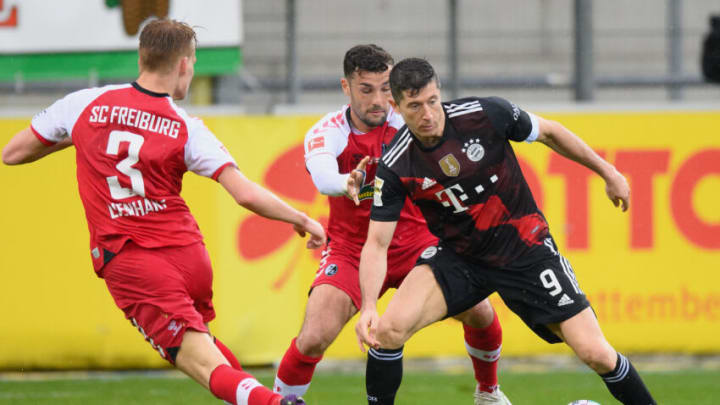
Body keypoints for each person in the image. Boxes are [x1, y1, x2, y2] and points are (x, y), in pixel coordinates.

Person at [1, 19, 323, 405]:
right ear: (185, 64)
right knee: (205, 349)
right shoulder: (187, 127)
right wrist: (301, 218)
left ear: (142, 57)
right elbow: (244, 194)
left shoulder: (84, 104)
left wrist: (82, 140)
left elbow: (12, 153)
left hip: (132, 259)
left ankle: (275, 404)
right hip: (189, 254)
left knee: (202, 363)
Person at [355, 58, 657, 405]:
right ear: (395, 106)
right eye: (415, 106)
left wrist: (609, 173)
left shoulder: (485, 114)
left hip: (524, 249)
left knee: (596, 353)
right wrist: (368, 308)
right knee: (387, 331)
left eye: (432, 101)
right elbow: (377, 244)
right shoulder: (396, 163)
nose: (428, 114)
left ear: (439, 93)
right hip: (461, 257)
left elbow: (550, 132)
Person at [273, 45, 510, 405]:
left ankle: (488, 393)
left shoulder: (410, 121)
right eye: (366, 89)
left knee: (480, 312)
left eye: (386, 88)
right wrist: (344, 183)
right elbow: (322, 175)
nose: (378, 100)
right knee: (314, 335)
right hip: (352, 248)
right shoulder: (327, 131)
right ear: (346, 87)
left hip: (417, 241)